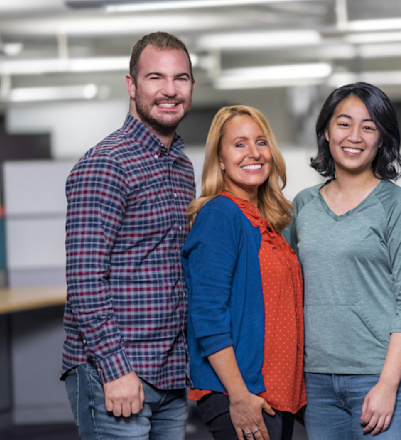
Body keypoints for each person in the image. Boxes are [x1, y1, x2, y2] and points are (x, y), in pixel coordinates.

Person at [61, 32, 196, 439]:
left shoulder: (182, 167)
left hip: (169, 373)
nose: (170, 91)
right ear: (132, 85)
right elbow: (84, 280)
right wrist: (116, 370)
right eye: (156, 78)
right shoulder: (106, 164)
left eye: (181, 78)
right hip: (117, 371)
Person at [289, 82, 401, 440]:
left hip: (379, 376)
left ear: (382, 138)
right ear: (326, 131)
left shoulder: (398, 206)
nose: (354, 136)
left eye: (368, 126)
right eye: (343, 123)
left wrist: (387, 385)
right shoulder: (303, 204)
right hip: (316, 383)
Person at [182, 105, 305, 440]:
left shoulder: (268, 221)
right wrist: (238, 396)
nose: (253, 153)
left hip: (273, 392)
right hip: (240, 392)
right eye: (239, 144)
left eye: (261, 142)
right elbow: (207, 316)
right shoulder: (221, 214)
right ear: (220, 159)